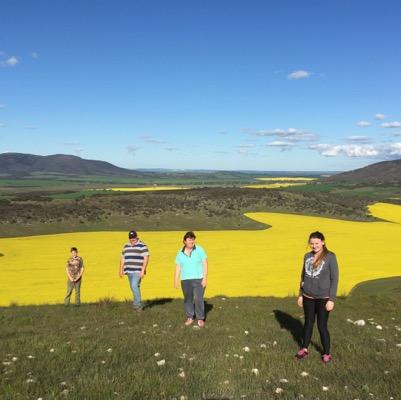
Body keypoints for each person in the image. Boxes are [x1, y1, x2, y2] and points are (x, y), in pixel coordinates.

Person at [296, 231, 339, 363]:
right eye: (312, 243)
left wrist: (331, 299)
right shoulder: (307, 256)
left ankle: (326, 353)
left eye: (316, 243)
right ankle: (304, 348)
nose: (314, 246)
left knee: (322, 325)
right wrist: (300, 295)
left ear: (323, 242)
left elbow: (334, 278)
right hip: (308, 296)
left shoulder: (330, 257)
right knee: (308, 323)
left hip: (323, 297)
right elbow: (303, 276)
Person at [174, 231, 208, 327]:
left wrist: (205, 278)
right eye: (189, 239)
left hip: (199, 279)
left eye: (193, 239)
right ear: (184, 241)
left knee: (198, 299)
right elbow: (178, 267)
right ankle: (190, 317)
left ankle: (200, 318)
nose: (192, 241)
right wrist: (175, 280)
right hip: (185, 280)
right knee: (188, 299)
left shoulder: (200, 249)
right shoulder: (180, 253)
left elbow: (205, 263)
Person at [119, 230, 149, 311]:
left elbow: (146, 258)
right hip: (129, 271)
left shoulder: (142, 245)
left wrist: (143, 270)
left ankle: (138, 305)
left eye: (134, 239)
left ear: (137, 237)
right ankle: (136, 305)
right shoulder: (126, 246)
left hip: (138, 271)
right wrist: (121, 270)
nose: (132, 241)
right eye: (131, 239)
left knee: (134, 285)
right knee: (134, 287)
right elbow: (122, 258)